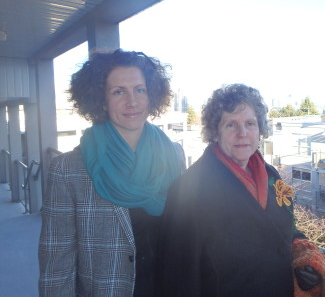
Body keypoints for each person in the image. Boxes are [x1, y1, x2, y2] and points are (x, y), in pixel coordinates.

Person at [38, 49, 185, 296]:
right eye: (119, 91)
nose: (132, 101)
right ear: (101, 100)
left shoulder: (174, 155)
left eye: (140, 89)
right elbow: (57, 263)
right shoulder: (67, 170)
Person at [157, 83, 296, 297]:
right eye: (231, 125)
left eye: (250, 123)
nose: (243, 133)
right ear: (215, 132)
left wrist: (304, 255)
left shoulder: (271, 176)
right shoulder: (187, 191)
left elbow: (283, 231)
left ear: (260, 129)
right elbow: (178, 277)